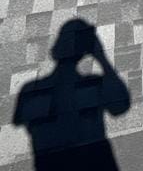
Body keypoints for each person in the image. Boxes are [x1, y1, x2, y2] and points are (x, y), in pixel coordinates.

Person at [13, 18, 130, 171]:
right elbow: (120, 107)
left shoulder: (30, 90)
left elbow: (27, 125)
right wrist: (101, 57)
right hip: (94, 160)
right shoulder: (94, 85)